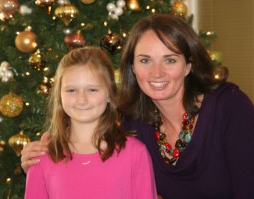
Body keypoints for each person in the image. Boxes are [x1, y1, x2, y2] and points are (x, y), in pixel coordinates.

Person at [21, 14, 254, 198]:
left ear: (189, 65)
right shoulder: (134, 120)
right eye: (145, 60)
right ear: (132, 67)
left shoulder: (229, 108)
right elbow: (87, 140)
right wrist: (38, 158)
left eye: (169, 60)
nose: (157, 73)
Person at [23, 47, 157, 199]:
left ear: (109, 94)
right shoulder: (41, 156)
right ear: (59, 95)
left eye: (92, 90)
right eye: (71, 90)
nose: (81, 99)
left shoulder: (135, 154)